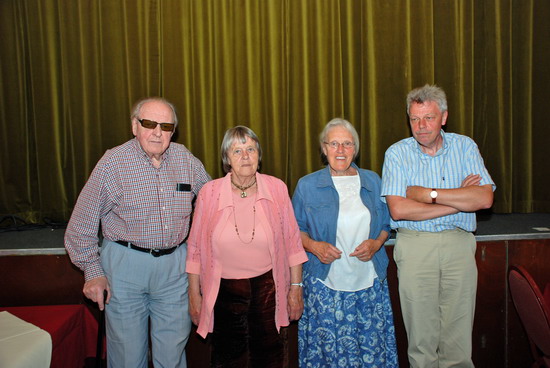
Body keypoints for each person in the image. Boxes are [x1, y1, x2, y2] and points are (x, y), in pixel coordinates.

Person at [65, 97, 211, 368]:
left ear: (173, 131)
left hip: (174, 267)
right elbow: (80, 225)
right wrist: (93, 272)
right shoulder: (113, 163)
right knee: (127, 356)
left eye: (166, 126)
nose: (158, 131)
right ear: (135, 126)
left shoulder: (186, 159)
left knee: (173, 352)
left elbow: (214, 204)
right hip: (124, 267)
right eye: (149, 123)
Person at [381, 84, 496, 368]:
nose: (421, 126)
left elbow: (484, 198)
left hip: (459, 244)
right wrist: (457, 200)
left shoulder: (465, 146)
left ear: (443, 117)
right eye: (414, 119)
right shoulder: (397, 153)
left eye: (428, 118)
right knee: (421, 340)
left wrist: (428, 195)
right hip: (415, 246)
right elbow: (399, 208)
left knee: (458, 341)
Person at [186, 125, 308, 367]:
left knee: (269, 356)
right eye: (237, 150)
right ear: (226, 159)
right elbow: (195, 249)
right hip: (222, 290)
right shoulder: (209, 193)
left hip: (267, 287)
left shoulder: (276, 188)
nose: (245, 156)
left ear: (259, 155)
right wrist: (194, 294)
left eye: (250, 149)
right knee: (228, 359)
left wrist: (295, 288)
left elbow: (293, 242)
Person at [292, 118, 398, 367]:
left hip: (369, 286)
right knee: (329, 355)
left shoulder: (373, 181)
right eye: (334, 143)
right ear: (323, 147)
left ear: (355, 148)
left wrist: (376, 243)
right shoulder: (307, 185)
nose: (340, 150)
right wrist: (314, 246)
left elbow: (386, 225)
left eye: (347, 144)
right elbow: (294, 230)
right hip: (325, 286)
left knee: (371, 351)